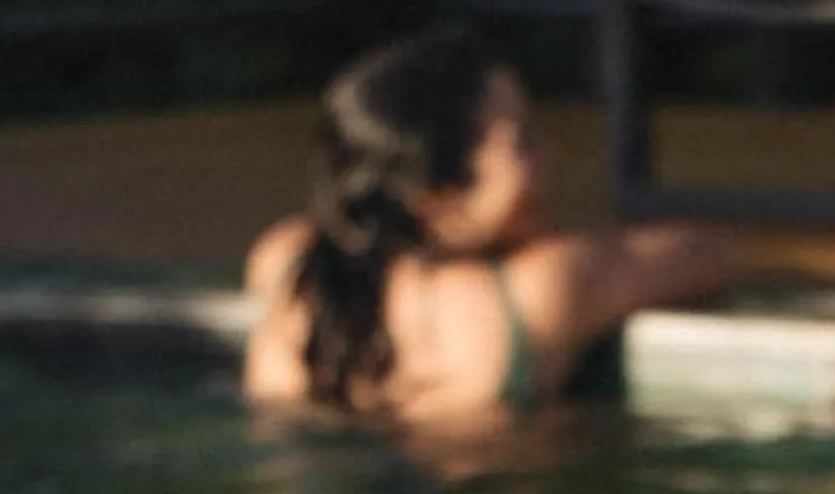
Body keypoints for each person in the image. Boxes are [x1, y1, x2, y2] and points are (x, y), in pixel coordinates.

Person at [245, 25, 736, 428]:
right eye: (521, 145)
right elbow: (715, 253)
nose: (549, 157)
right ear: (435, 196)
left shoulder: (286, 262)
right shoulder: (539, 288)